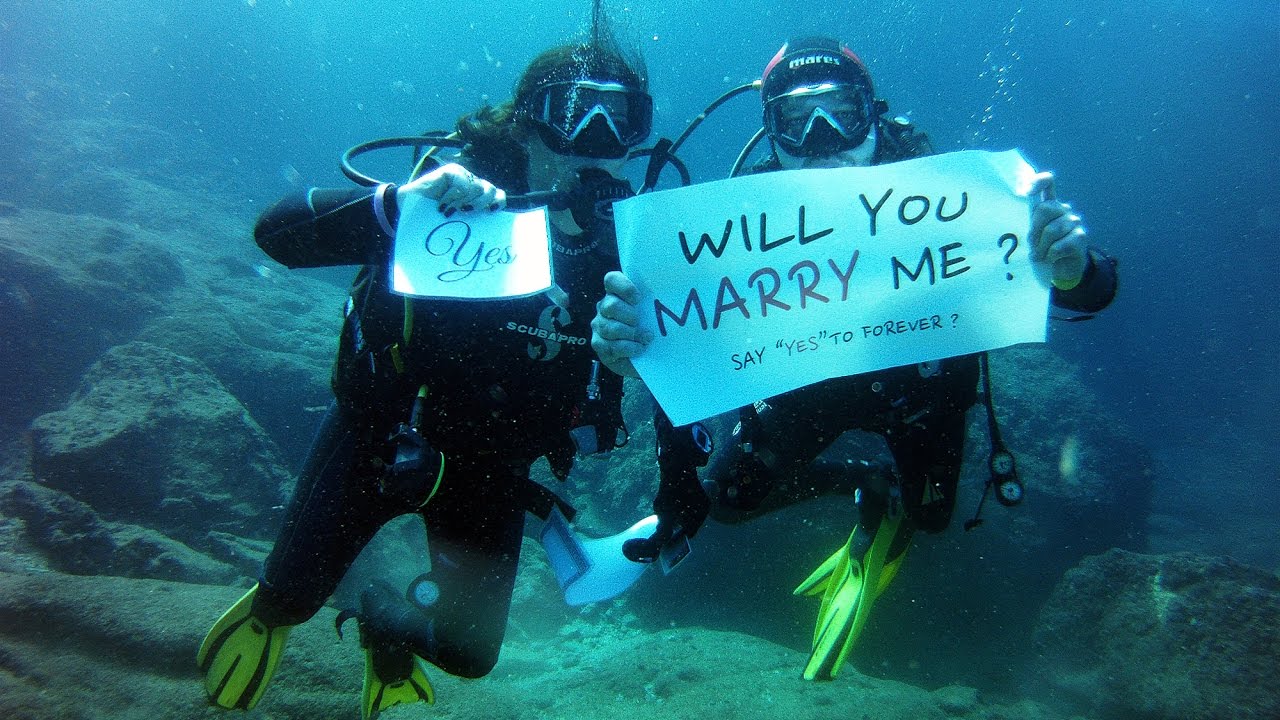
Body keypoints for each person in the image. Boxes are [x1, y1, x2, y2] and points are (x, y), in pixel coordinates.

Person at [590, 35, 1118, 682]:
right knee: (727, 497)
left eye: (840, 110)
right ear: (770, 132)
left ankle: (899, 509)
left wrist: (1071, 269)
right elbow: (687, 344)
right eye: (796, 118)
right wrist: (634, 349)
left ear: (874, 112)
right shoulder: (733, 221)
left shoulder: (953, 189)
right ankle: (870, 484)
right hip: (809, 386)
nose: (821, 135)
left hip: (921, 391)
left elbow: (1091, 291)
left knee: (933, 515)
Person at [197, 28, 652, 719]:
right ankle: (274, 610)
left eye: (620, 120)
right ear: (527, 121)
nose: (594, 135)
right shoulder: (447, 202)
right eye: (573, 111)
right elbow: (276, 235)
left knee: (469, 656)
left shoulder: (624, 249)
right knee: (285, 598)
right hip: (382, 440)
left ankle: (384, 625)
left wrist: (625, 358)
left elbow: (635, 401)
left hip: (490, 467)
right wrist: (395, 207)